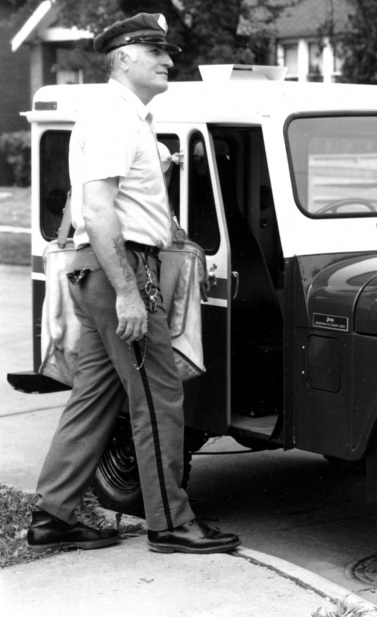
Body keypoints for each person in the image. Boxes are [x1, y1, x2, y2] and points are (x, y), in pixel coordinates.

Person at [27, 13, 240, 555]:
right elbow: (97, 211)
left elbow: (112, 198)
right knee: (159, 397)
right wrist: (128, 291)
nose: (169, 61)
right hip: (121, 270)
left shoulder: (126, 118)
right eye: (156, 52)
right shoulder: (114, 118)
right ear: (122, 58)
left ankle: (53, 515)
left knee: (96, 397)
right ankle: (170, 524)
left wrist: (159, 167)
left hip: (98, 270)